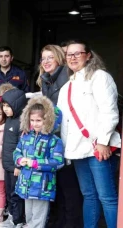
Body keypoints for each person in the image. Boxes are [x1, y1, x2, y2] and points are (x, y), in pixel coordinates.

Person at [57, 40, 120, 228]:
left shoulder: (100, 77)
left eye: (78, 53)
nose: (73, 58)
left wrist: (103, 141)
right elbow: (63, 122)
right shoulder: (66, 87)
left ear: (88, 55)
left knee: (106, 196)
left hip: (97, 147)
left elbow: (109, 111)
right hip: (77, 150)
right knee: (89, 195)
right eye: (69, 54)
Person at [37, 44, 83, 228]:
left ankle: (70, 224)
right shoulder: (45, 80)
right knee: (57, 184)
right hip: (54, 139)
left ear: (59, 58)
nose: (46, 61)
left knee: (69, 186)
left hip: (68, 138)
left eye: (50, 57)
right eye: (43, 58)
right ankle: (59, 221)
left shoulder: (67, 76)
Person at [13, 96, 65, 228]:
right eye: (32, 120)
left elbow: (58, 162)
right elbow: (17, 151)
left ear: (48, 120)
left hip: (43, 187)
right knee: (29, 216)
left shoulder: (53, 140)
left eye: (39, 120)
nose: (35, 123)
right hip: (26, 184)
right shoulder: (26, 137)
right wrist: (19, 160)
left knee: (38, 219)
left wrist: (36, 163)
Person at [0, 88, 27, 228]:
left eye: (8, 106)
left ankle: (18, 220)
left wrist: (18, 165)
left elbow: (23, 147)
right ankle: (12, 217)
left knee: (16, 194)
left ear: (17, 105)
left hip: (16, 167)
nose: (5, 109)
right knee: (10, 193)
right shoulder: (9, 120)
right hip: (8, 165)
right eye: (4, 106)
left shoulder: (22, 123)